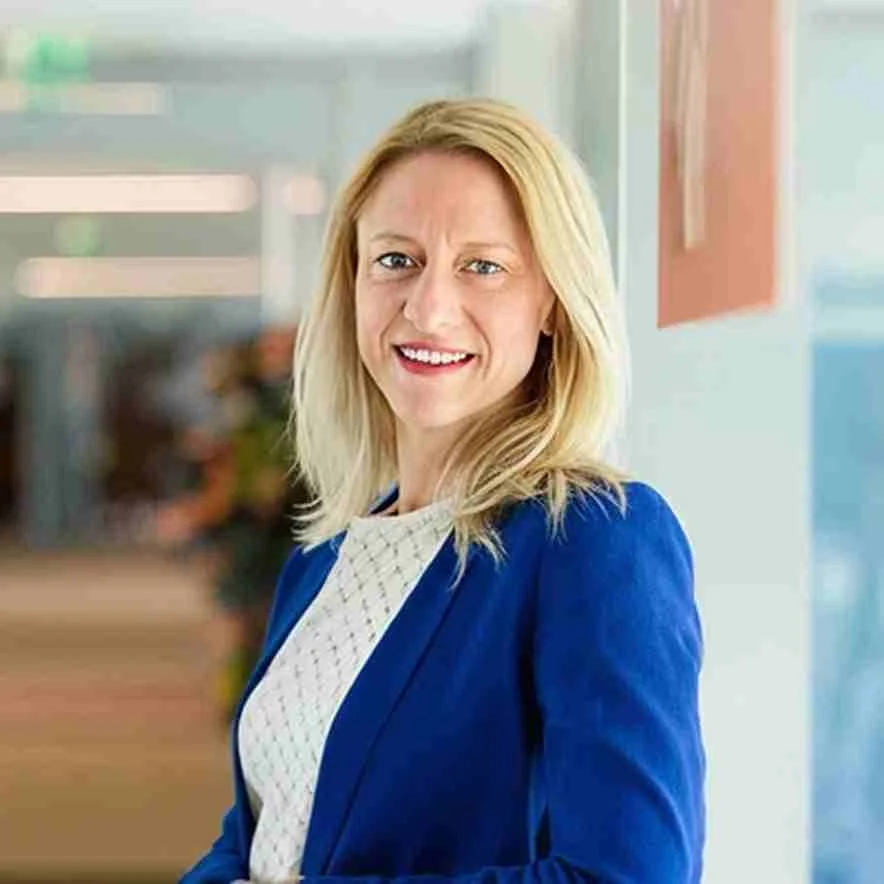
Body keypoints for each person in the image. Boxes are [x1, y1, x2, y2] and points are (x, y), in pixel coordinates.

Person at [181, 97, 705, 884]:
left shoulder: (596, 540)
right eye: (396, 260)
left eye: (482, 266)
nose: (428, 307)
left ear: (554, 304)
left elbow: (629, 876)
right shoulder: (324, 564)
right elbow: (264, 831)